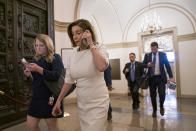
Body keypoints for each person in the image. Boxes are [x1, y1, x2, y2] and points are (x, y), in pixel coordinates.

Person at [52, 19, 109, 131]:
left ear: (88, 33)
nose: (75, 37)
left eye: (78, 33)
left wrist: (91, 44)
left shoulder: (99, 47)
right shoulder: (73, 55)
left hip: (98, 102)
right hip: (83, 103)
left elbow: (102, 67)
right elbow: (68, 81)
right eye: (73, 34)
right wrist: (58, 101)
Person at [23, 34, 64, 131]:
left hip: (50, 97)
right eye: (36, 45)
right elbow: (36, 79)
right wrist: (29, 75)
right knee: (31, 126)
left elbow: (56, 75)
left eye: (41, 45)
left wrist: (38, 69)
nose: (38, 48)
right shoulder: (36, 59)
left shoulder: (55, 57)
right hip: (37, 97)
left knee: (52, 127)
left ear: (48, 45)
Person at [143, 41, 175, 117]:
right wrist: (147, 65)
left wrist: (171, 77)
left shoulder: (162, 55)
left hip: (161, 78)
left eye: (154, 49)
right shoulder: (147, 55)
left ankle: (161, 106)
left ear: (157, 48)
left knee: (162, 94)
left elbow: (167, 65)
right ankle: (154, 110)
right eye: (152, 49)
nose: (153, 50)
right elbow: (143, 65)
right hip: (151, 78)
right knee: (152, 95)